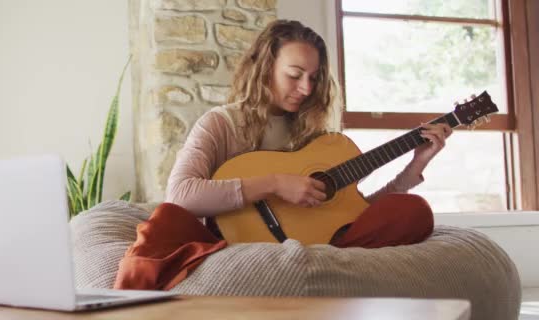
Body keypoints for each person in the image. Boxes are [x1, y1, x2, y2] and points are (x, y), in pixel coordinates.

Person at [113, 20, 452, 291]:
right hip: (230, 240)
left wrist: (415, 166)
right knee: (161, 225)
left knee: (413, 211)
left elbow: (355, 212)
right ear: (264, 67)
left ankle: (315, 260)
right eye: (294, 75)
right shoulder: (220, 123)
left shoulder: (320, 140)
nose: (305, 89)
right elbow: (180, 195)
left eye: (313, 78)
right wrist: (274, 183)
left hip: (322, 242)